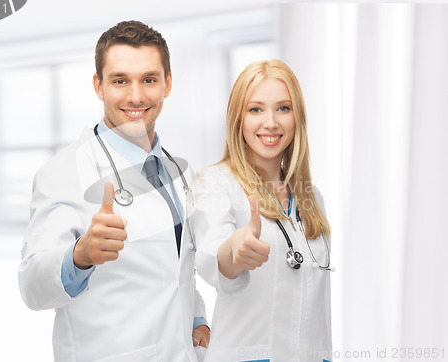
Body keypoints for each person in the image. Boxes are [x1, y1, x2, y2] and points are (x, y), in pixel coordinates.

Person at [18, 20, 209, 362]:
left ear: (167, 84)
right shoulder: (65, 171)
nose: (135, 96)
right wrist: (80, 255)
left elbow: (178, 268)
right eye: (120, 81)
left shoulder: (178, 172)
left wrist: (197, 319)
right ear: (98, 85)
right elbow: (32, 286)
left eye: (149, 80)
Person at [192, 59, 332, 362]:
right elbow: (215, 257)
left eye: (283, 108)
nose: (271, 122)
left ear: (298, 118)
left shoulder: (312, 198)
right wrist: (235, 251)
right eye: (255, 109)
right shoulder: (215, 182)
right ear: (238, 119)